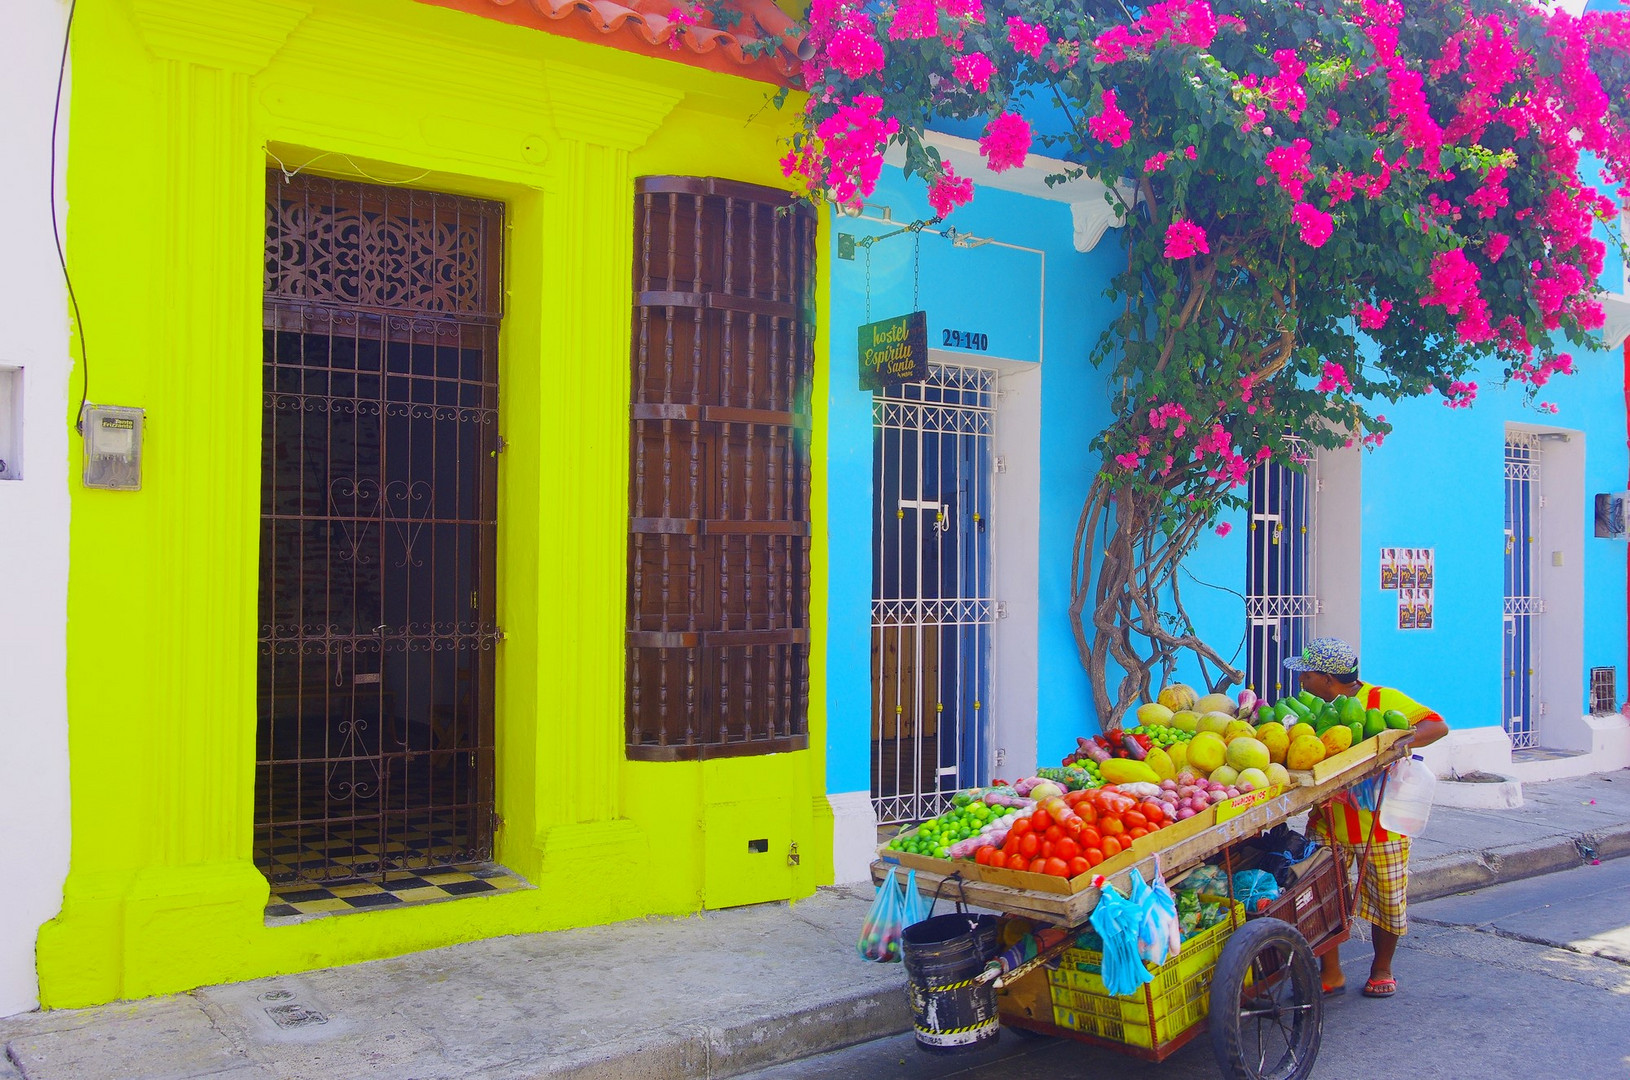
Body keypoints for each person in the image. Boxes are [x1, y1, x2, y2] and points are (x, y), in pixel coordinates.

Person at [1283, 636, 1448, 1000]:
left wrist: (1394, 744)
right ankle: (1332, 973)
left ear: (1327, 678)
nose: (1301, 682)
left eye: (1306, 675)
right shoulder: (1309, 706)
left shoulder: (1382, 699)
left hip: (1381, 824)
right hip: (1327, 819)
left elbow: (1437, 726)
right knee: (1323, 895)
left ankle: (1381, 969)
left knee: (1388, 899)